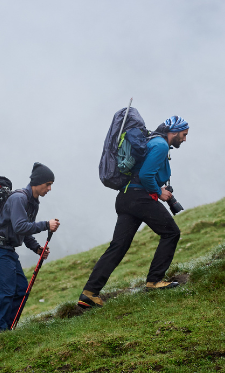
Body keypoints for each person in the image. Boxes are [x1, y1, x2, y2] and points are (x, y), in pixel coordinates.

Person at [79, 116, 189, 310]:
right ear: (174, 132)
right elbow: (146, 175)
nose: (185, 139)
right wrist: (159, 192)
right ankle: (154, 281)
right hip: (140, 198)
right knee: (171, 233)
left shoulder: (151, 141)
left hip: (125, 197)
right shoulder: (161, 145)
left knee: (118, 246)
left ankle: (89, 293)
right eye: (184, 134)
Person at [0, 163, 59, 338]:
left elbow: (23, 230)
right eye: (47, 184)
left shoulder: (33, 202)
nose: (49, 188)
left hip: (7, 249)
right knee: (5, 293)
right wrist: (46, 225)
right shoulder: (19, 198)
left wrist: (36, 248)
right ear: (37, 182)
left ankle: (6, 332)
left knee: (21, 290)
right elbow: (20, 226)